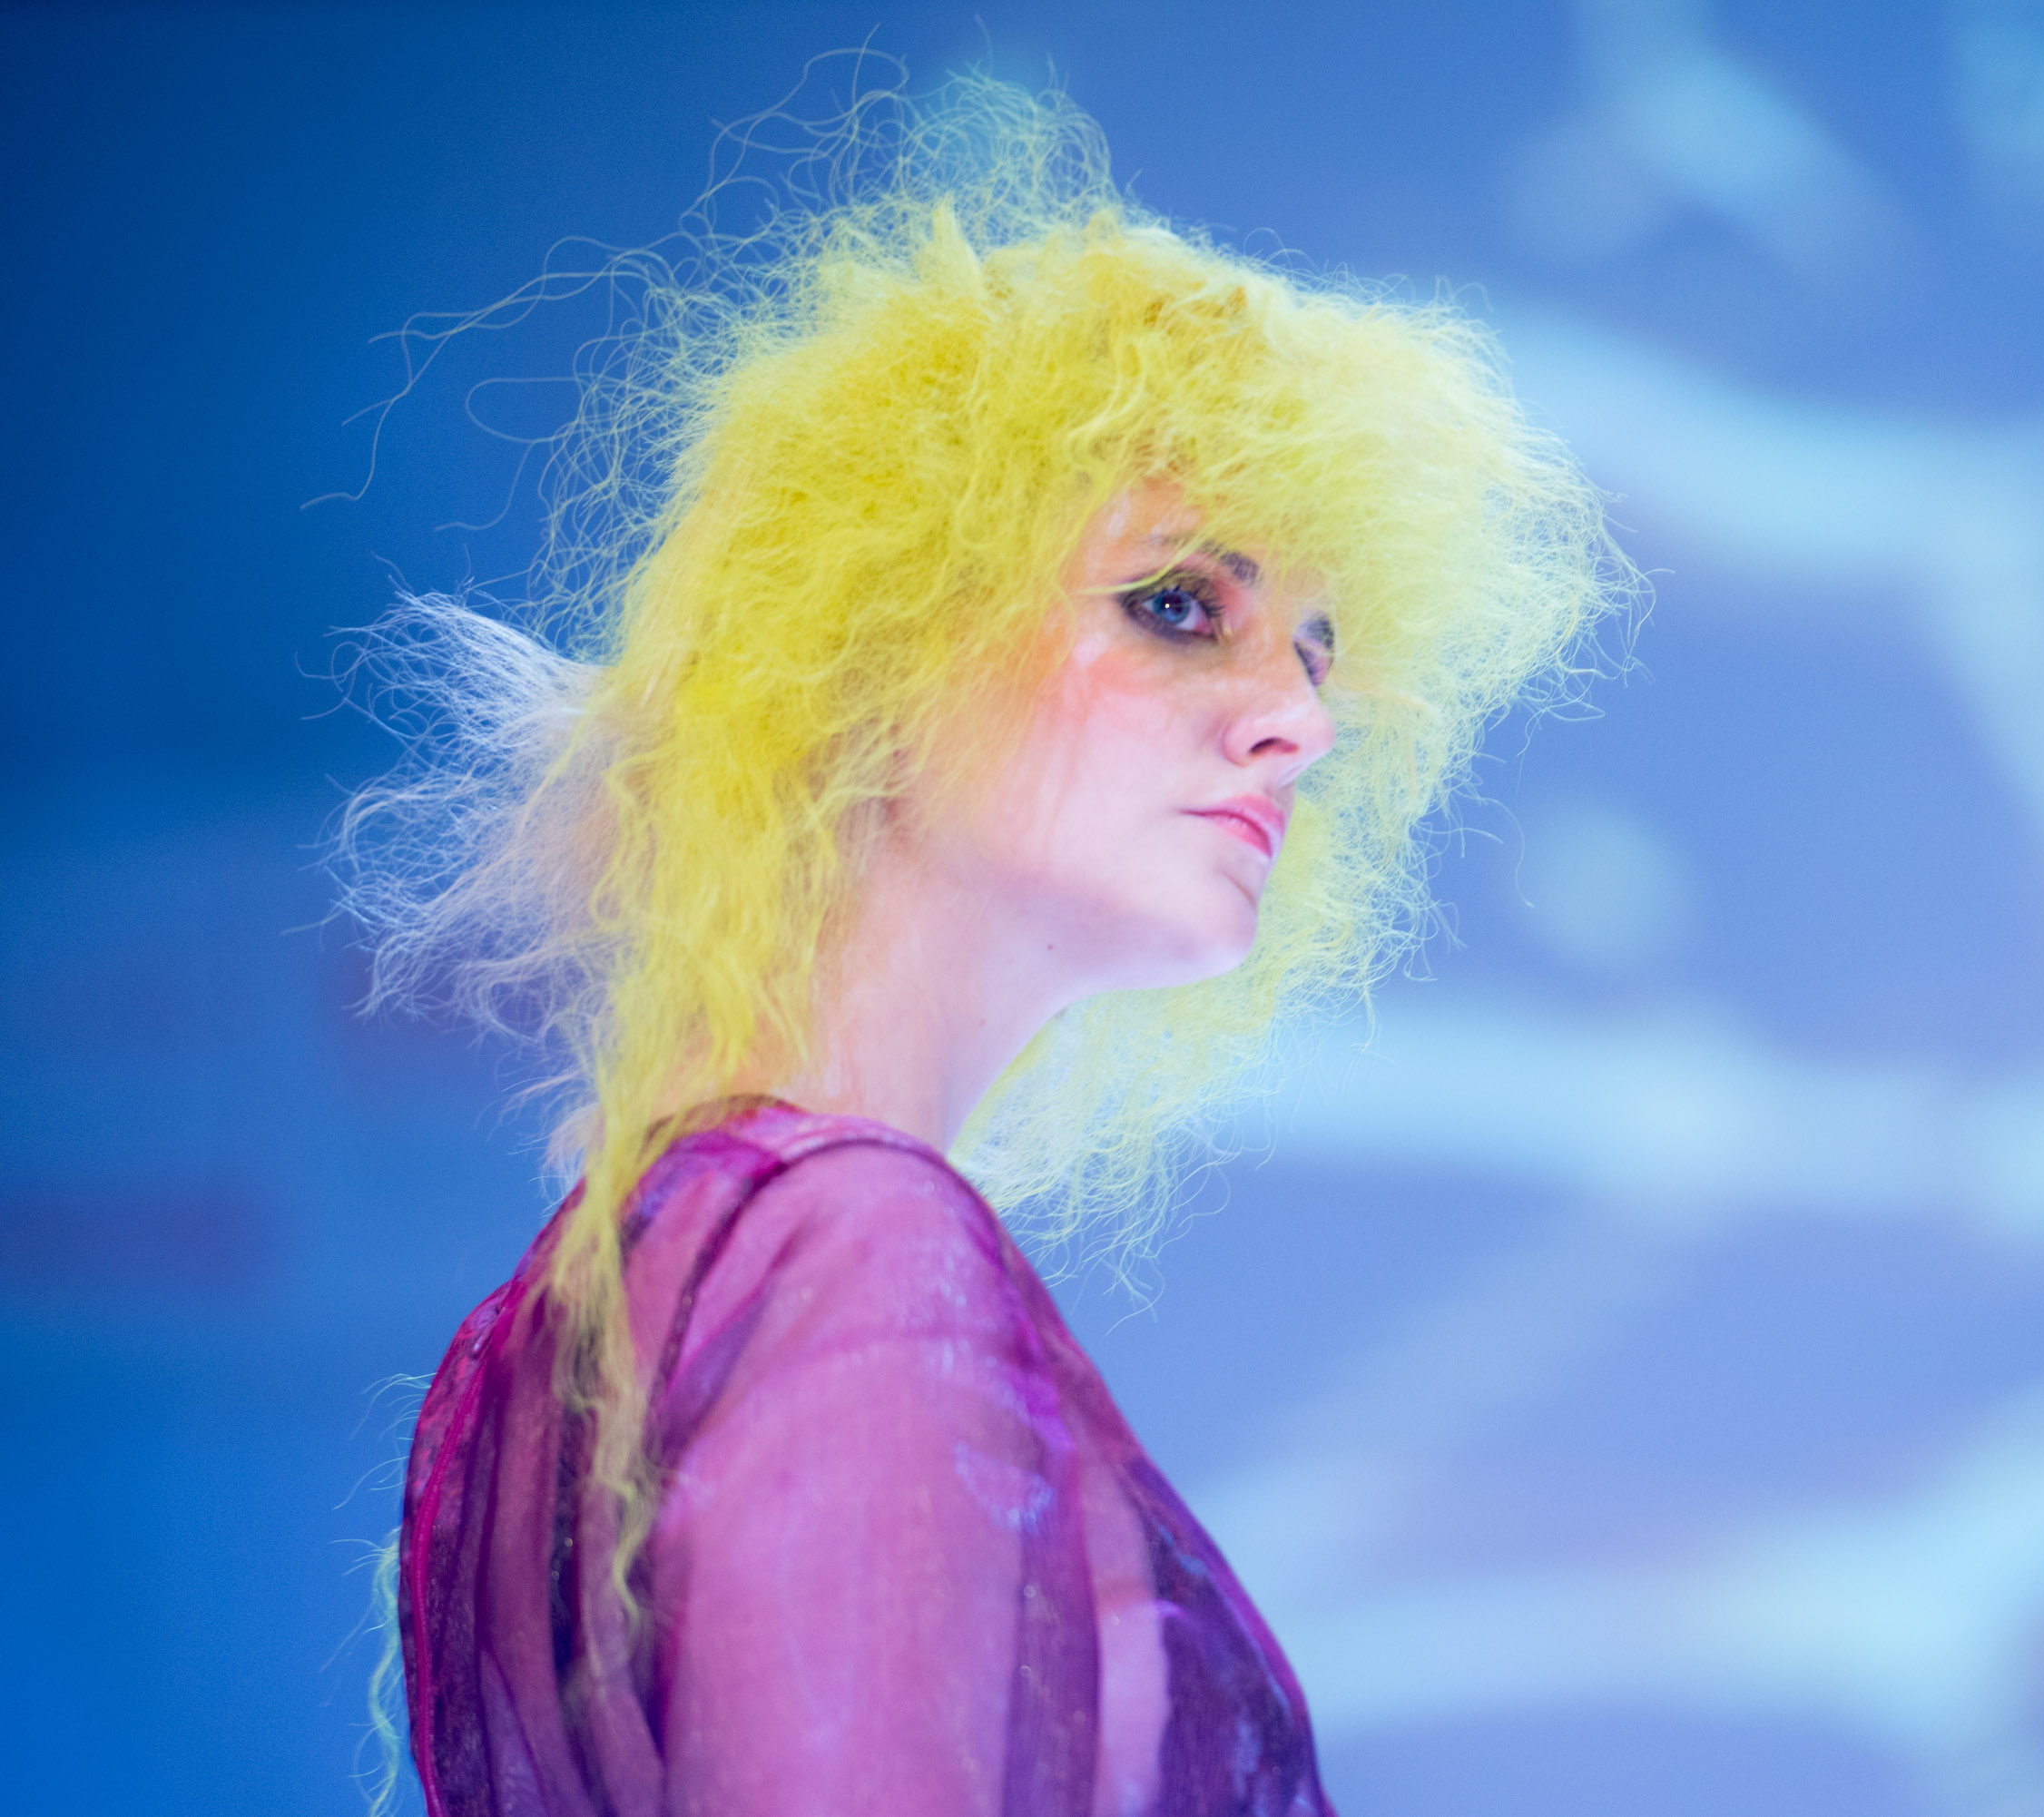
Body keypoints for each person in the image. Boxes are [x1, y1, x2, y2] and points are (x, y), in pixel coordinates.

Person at [339, 71, 1621, 1817]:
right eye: (1181, 606)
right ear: (871, 638)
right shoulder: (850, 1248)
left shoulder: (563, 1323)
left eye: (1319, 655)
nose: (1301, 723)